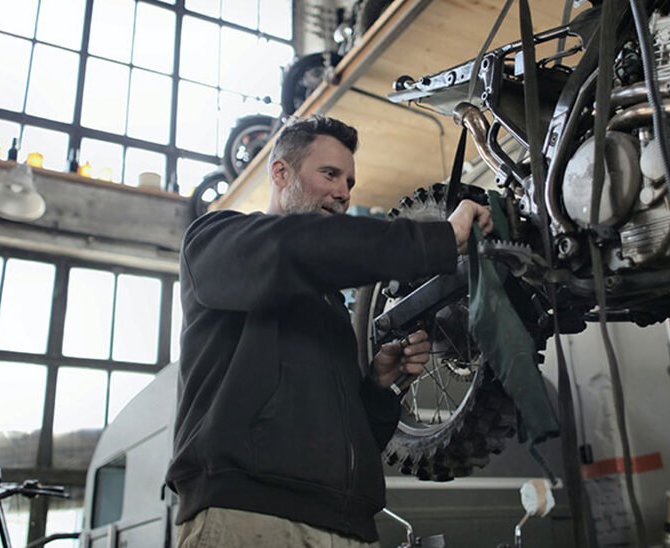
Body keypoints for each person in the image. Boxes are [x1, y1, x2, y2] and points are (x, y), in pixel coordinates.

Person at [166, 115, 493, 547]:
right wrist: (439, 238)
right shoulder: (217, 242)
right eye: (330, 174)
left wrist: (378, 387)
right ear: (280, 173)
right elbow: (299, 245)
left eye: (350, 182)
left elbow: (356, 445)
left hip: (346, 524)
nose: (343, 192)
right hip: (248, 514)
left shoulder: (332, 307)